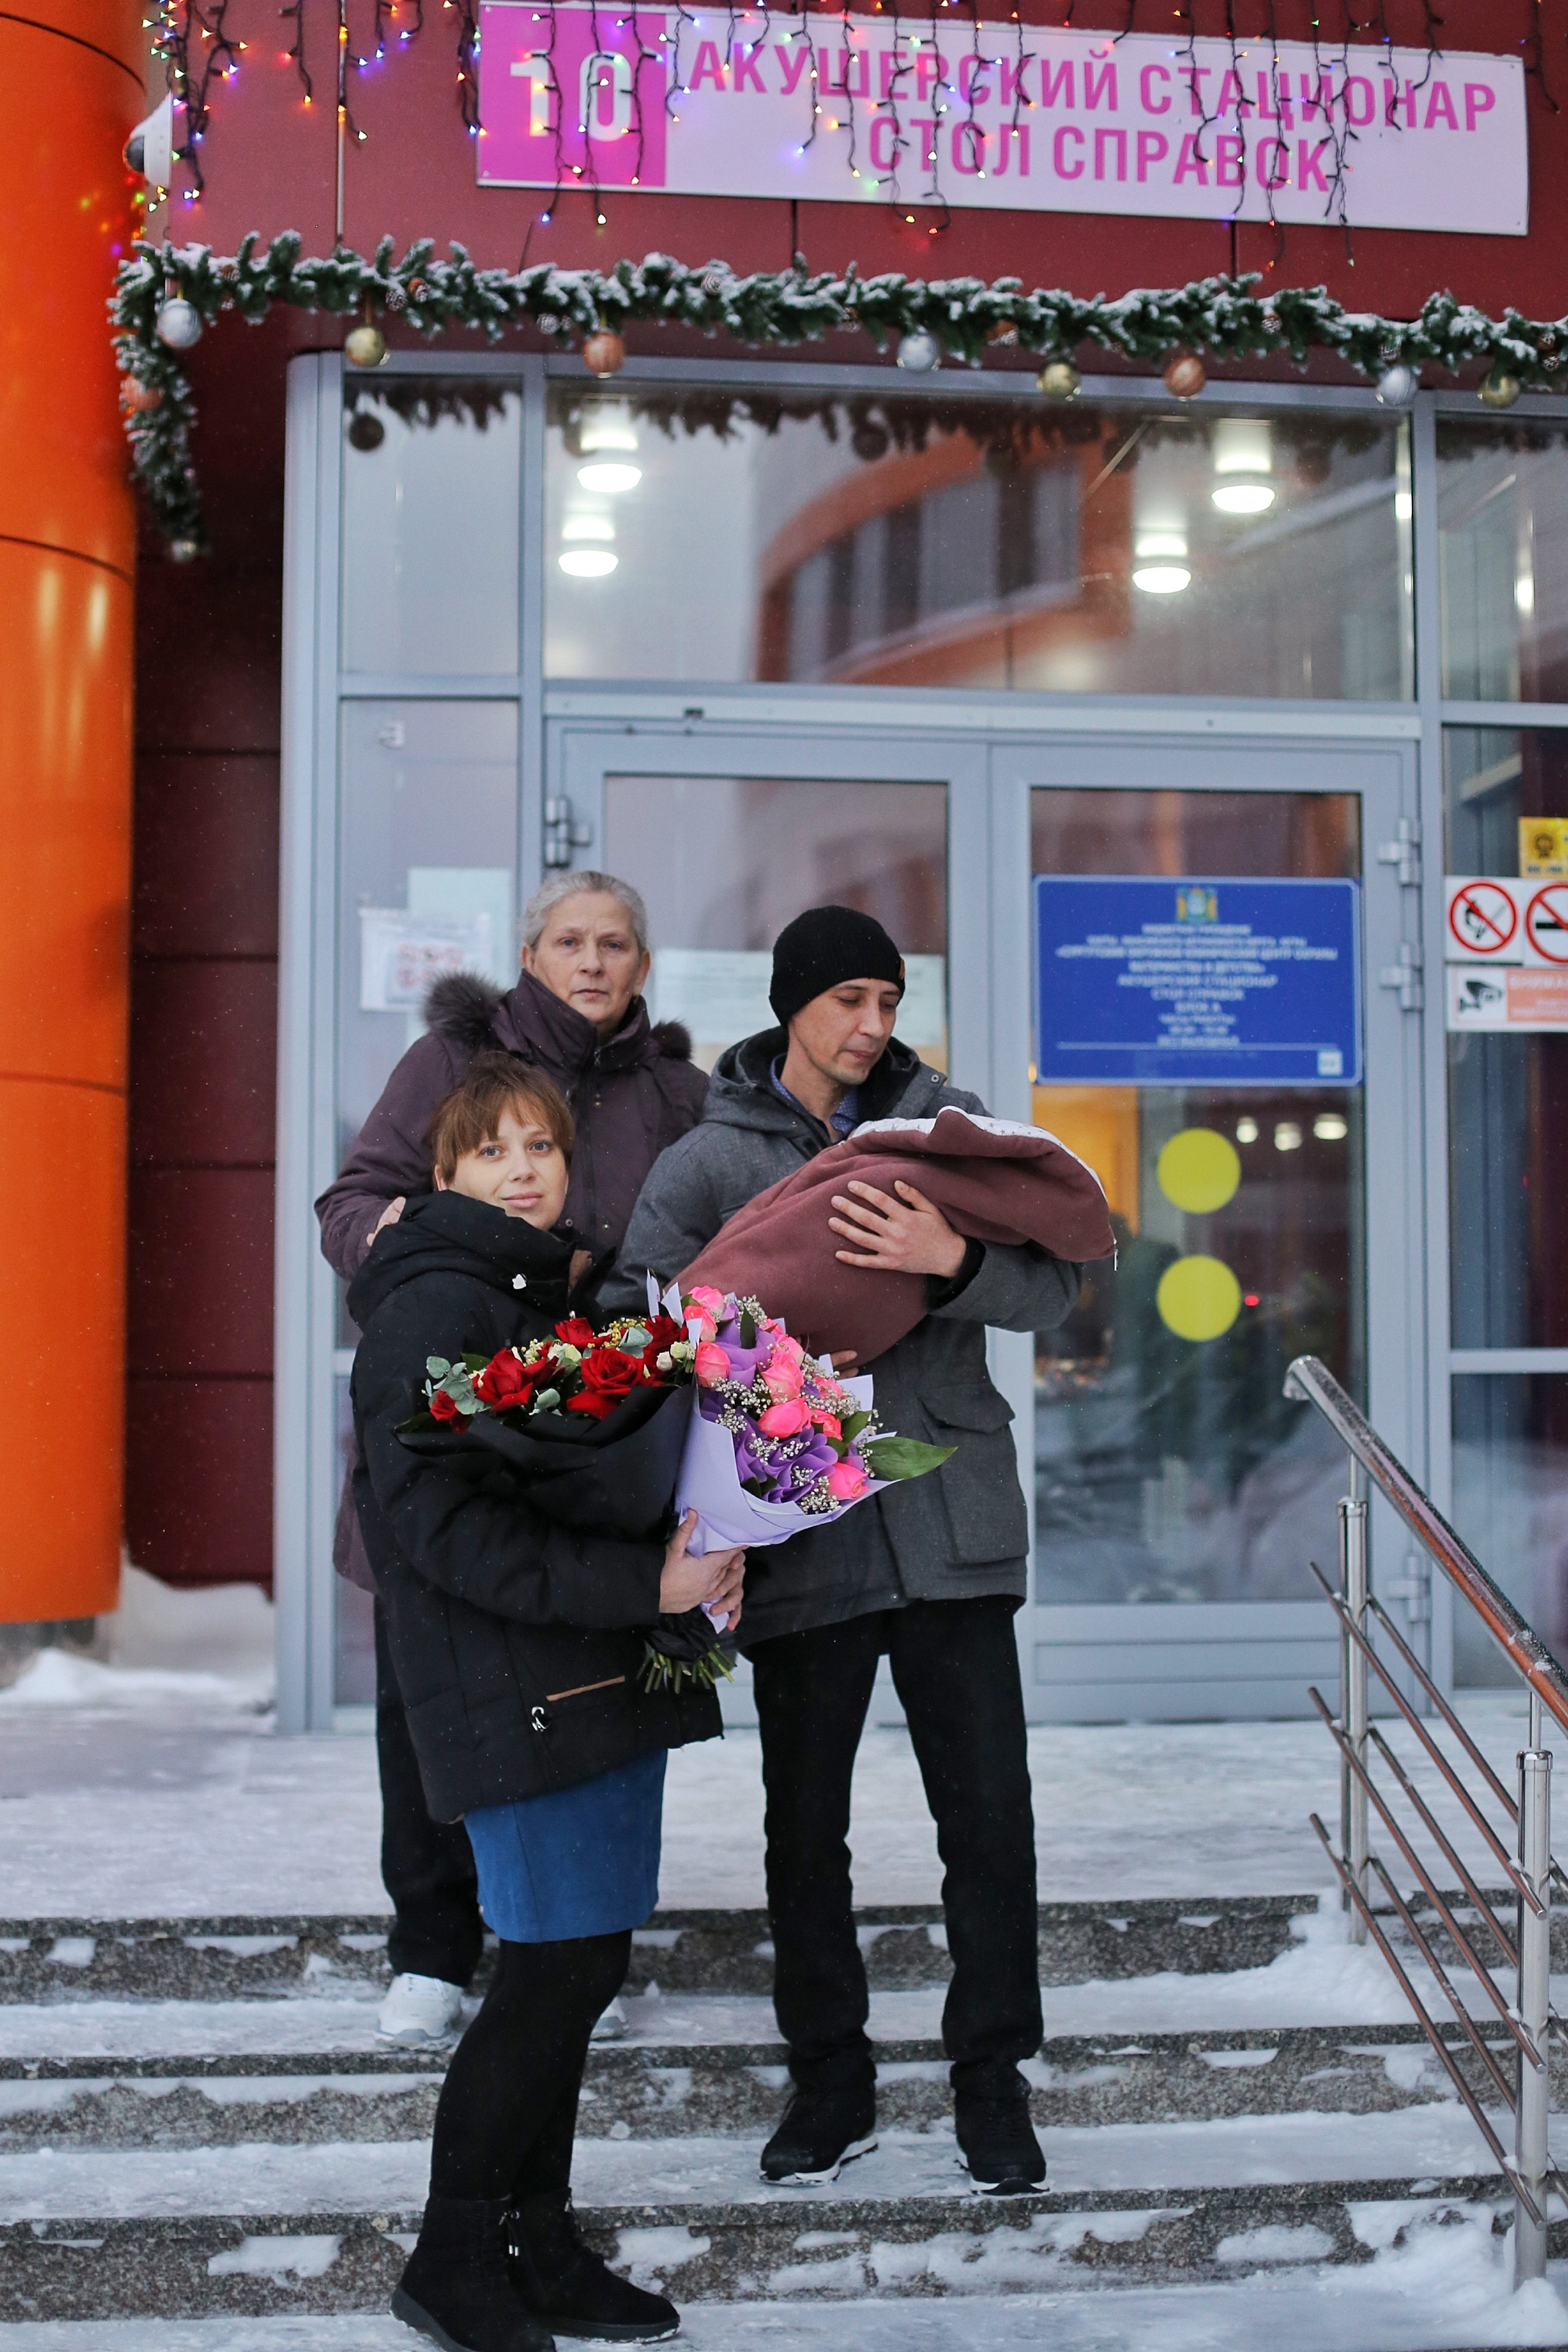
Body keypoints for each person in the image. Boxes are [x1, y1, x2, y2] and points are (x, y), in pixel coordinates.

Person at [606, 905, 1081, 2196]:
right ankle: (828, 2079)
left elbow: (1053, 1287)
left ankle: (991, 2080)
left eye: (887, 1000)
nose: (873, 1028)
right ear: (791, 1006)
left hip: (951, 1534)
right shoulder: (710, 1159)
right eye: (848, 1002)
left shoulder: (949, 1130)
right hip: (799, 1538)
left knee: (988, 1822)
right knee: (801, 1826)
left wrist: (950, 1260)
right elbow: (635, 1319)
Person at [350, 1054, 743, 2351]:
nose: (526, 1168)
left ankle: (539, 2239)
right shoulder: (430, 1307)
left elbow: (570, 1474)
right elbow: (442, 1533)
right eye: (491, 1150)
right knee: (546, 1977)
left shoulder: (543, 1300)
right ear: (442, 1175)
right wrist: (648, 1577)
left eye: (544, 1147)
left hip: (585, 1674)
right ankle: (453, 2254)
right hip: (515, 1685)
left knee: (573, 1971)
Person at [316, 873, 709, 2046]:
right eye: (571, 942)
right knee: (432, 1697)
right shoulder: (452, 1065)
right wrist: (426, 1261)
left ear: (643, 965)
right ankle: (433, 1943)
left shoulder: (675, 1093)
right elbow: (356, 1199)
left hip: (599, 1448)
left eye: (617, 944)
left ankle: (575, 1941)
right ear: (531, 954)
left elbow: (715, 1244)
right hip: (453, 1425)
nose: (593, 962)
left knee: (585, 1691)